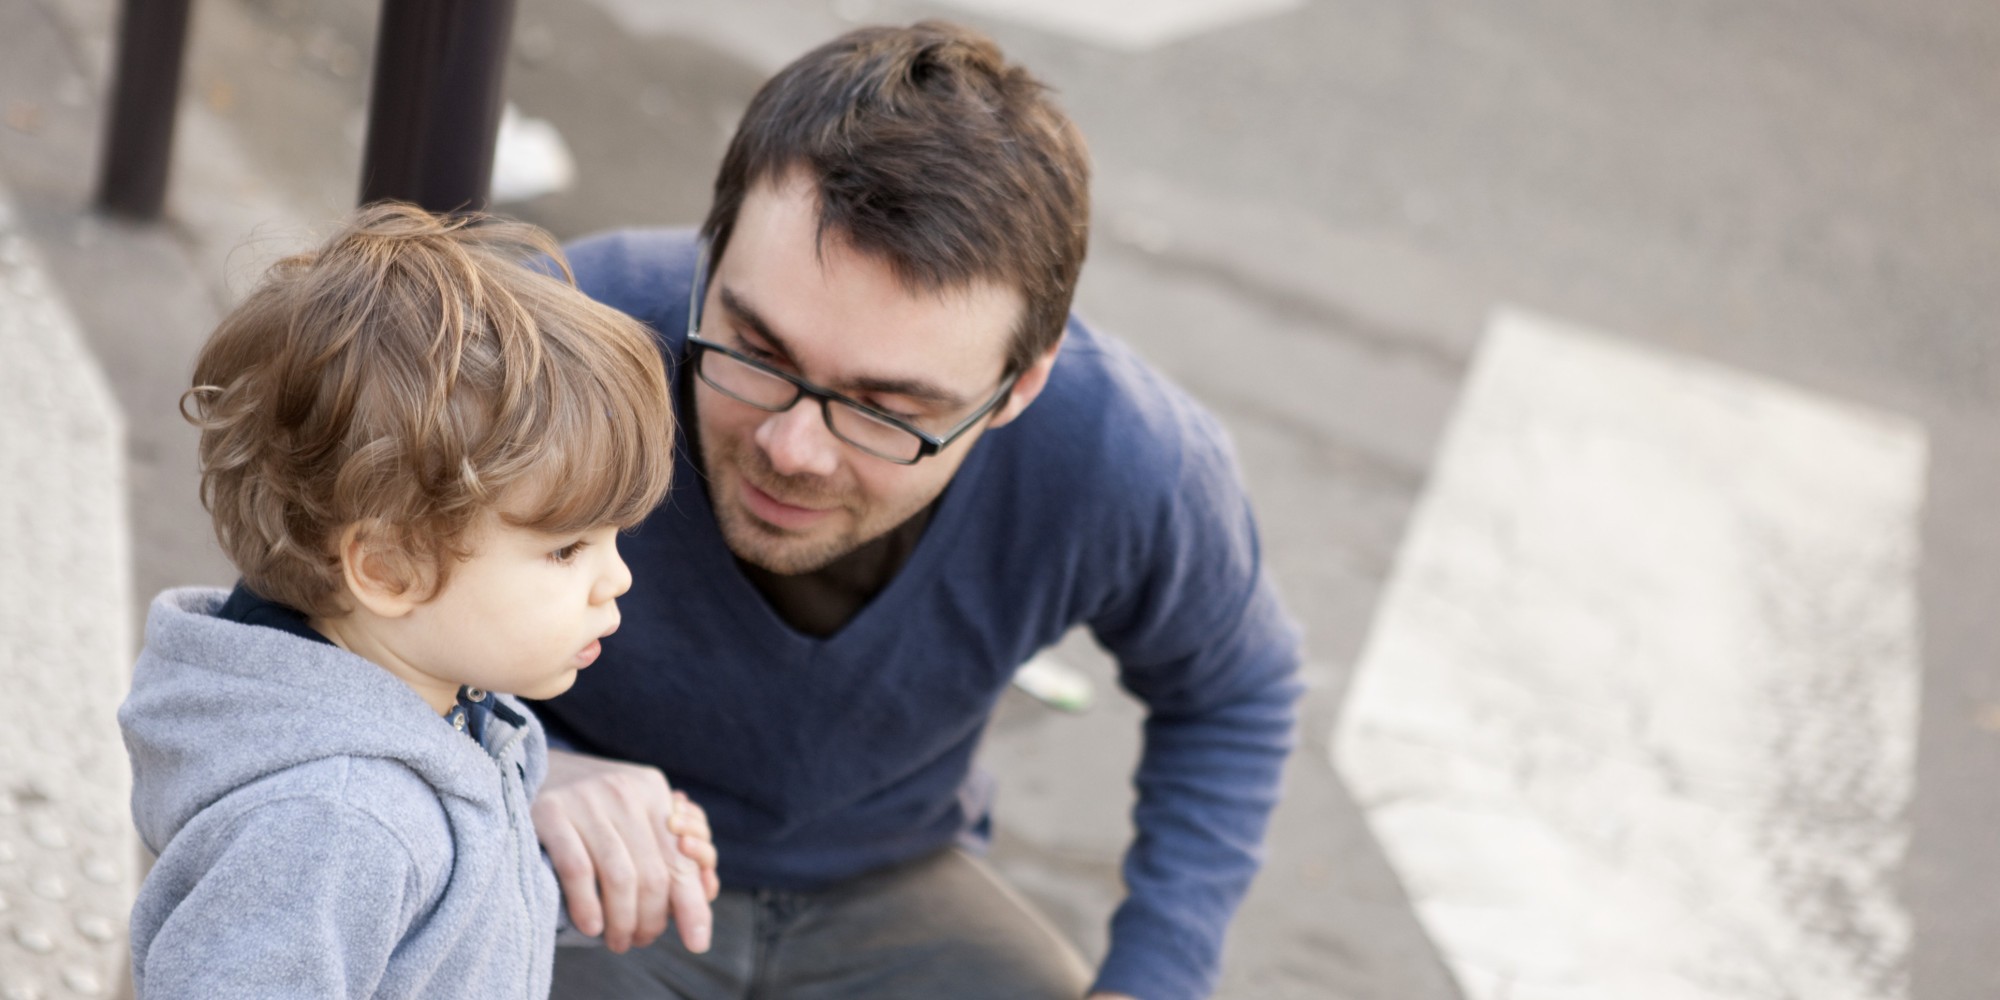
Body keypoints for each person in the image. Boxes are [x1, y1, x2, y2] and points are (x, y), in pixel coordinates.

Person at [535, 21, 1303, 1000]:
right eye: (756, 349)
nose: (792, 446)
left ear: (1016, 389)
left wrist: (1156, 974)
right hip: (578, 858)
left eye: (885, 409)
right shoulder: (564, 332)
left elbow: (1235, 690)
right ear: (709, 253)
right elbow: (299, 616)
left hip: (886, 883)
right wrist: (517, 772)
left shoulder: (1122, 456)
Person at [118, 203, 718, 998]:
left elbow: (433, 929)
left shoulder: (448, 713)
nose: (617, 579)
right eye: (567, 548)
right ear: (391, 568)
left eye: (614, 538)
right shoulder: (334, 824)